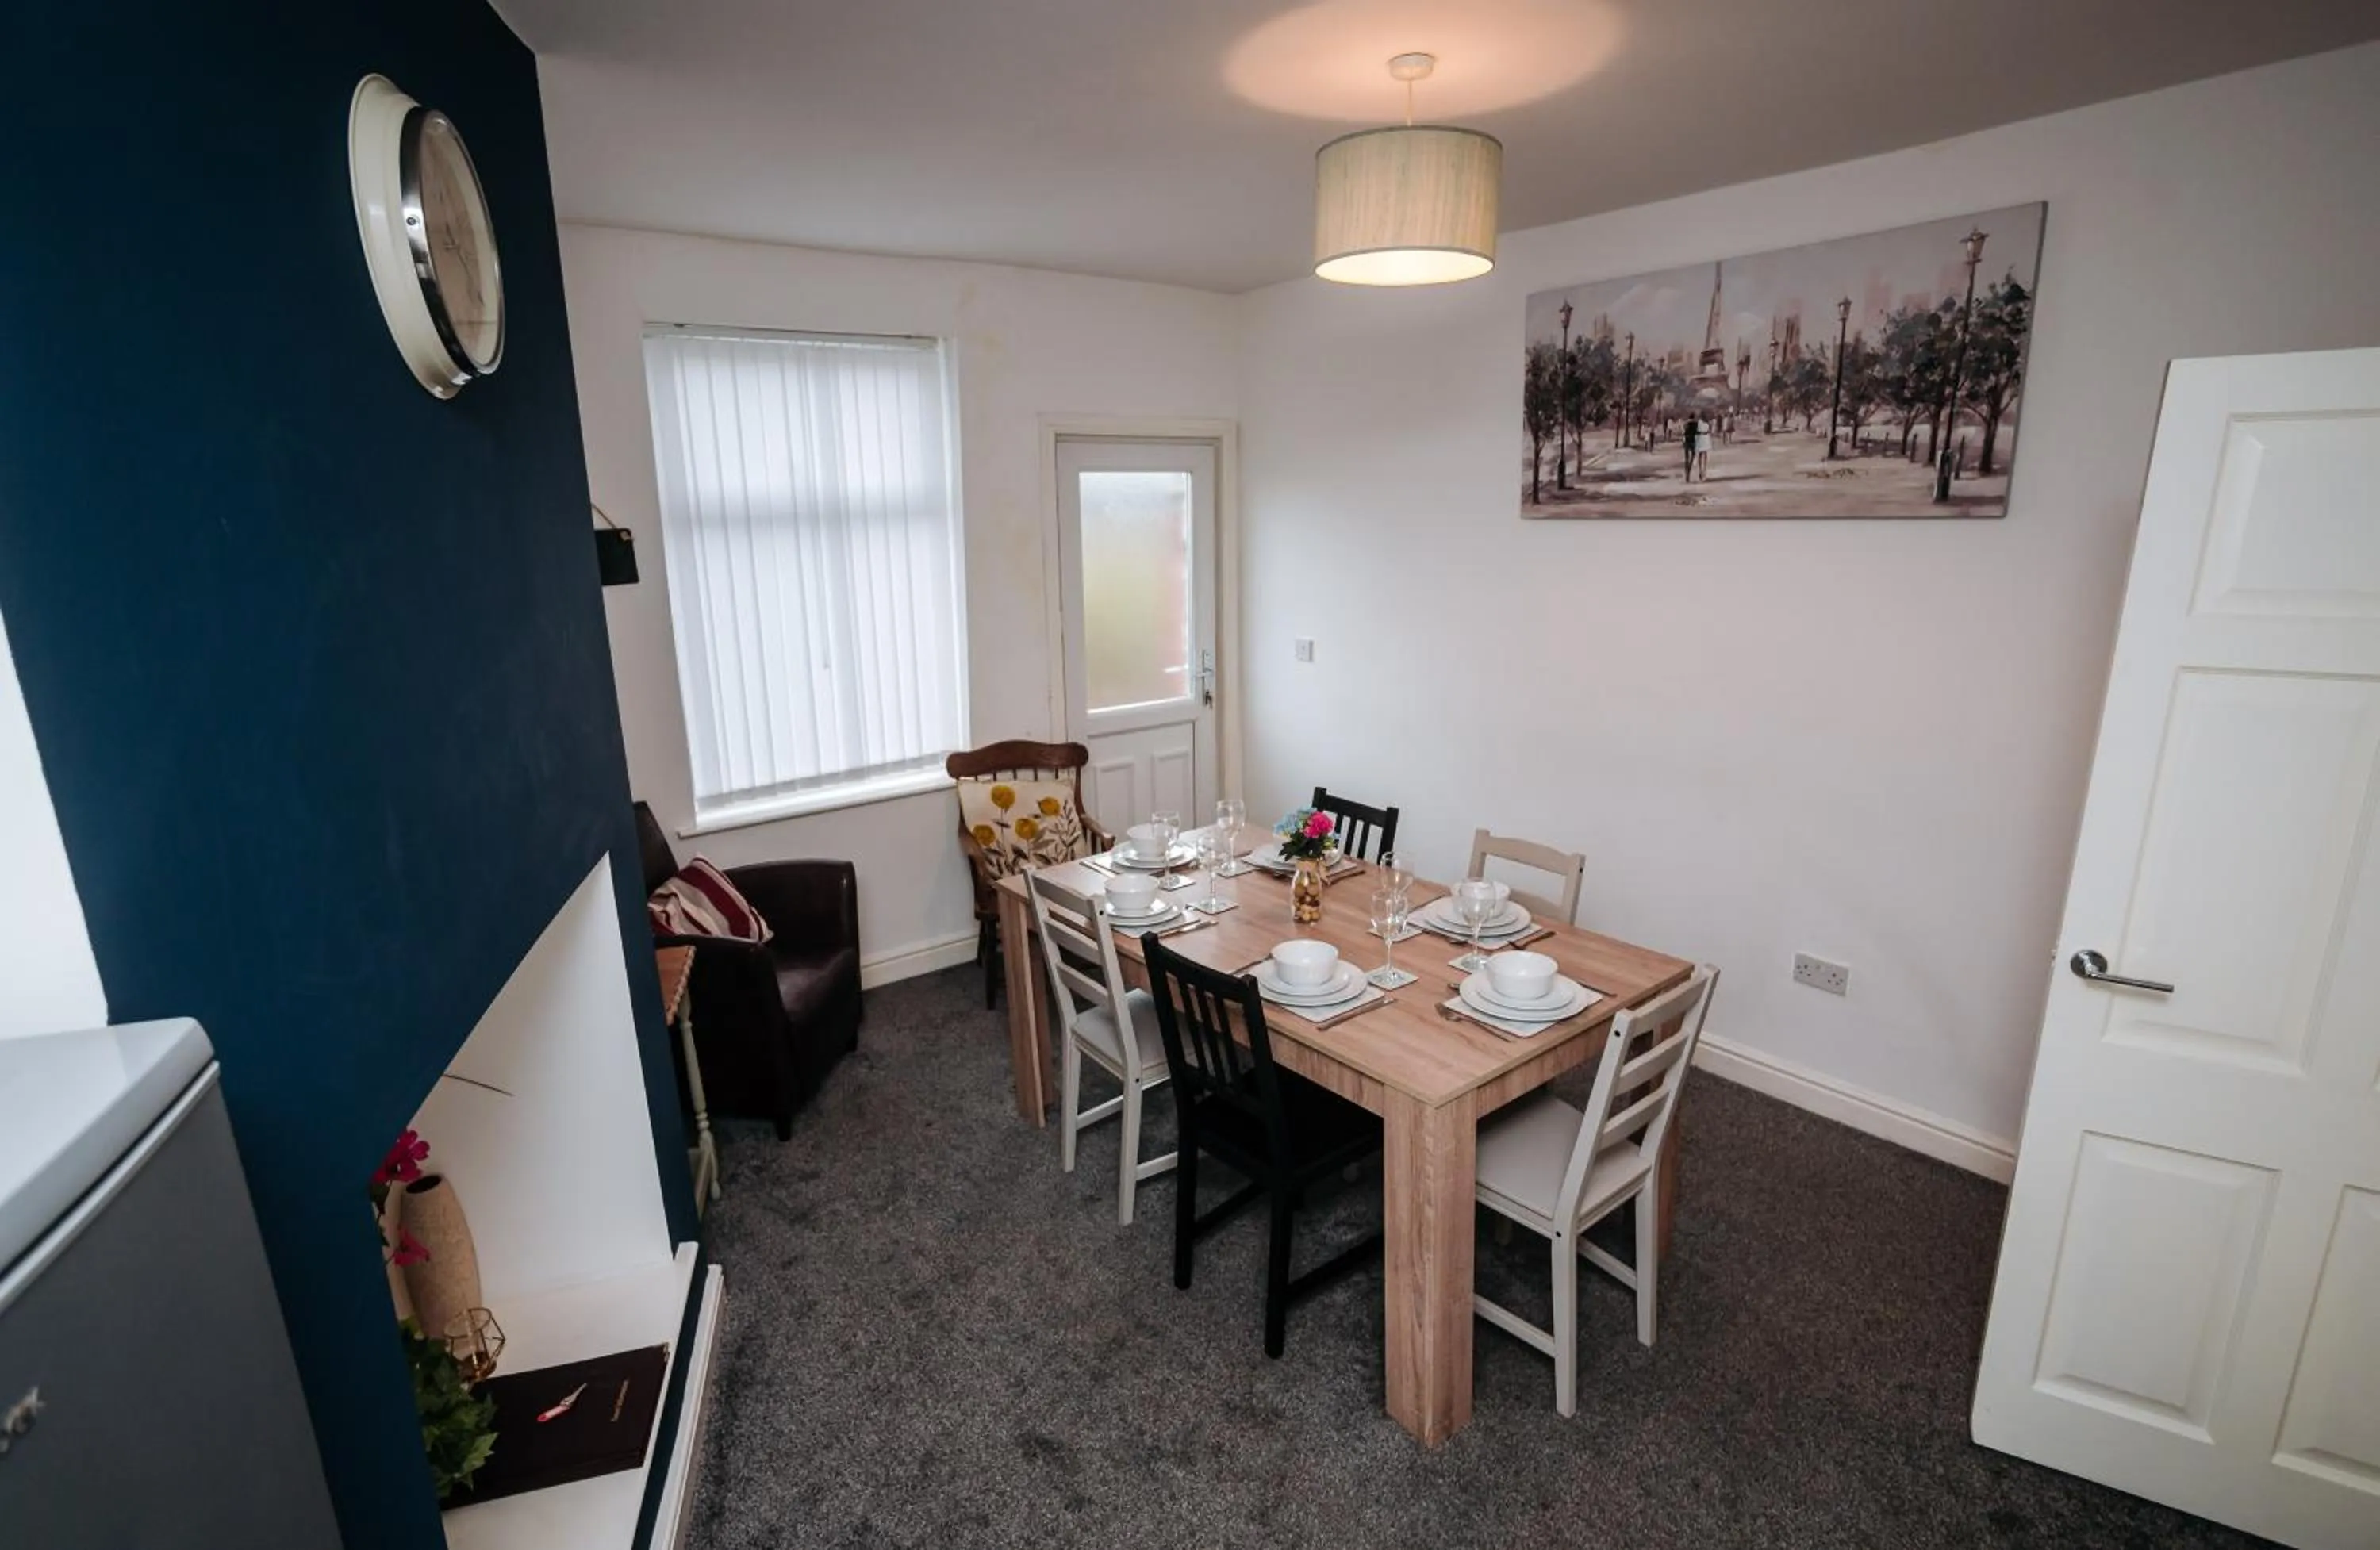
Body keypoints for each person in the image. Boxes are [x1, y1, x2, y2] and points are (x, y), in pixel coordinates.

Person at [1693, 414, 1712, 482]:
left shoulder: (1698, 423)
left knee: (1700, 456)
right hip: (1705, 439)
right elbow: (1709, 431)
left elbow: (1696, 432)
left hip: (1701, 439)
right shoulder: (1707, 423)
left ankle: (1701, 471)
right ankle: (1703, 471)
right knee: (1704, 457)